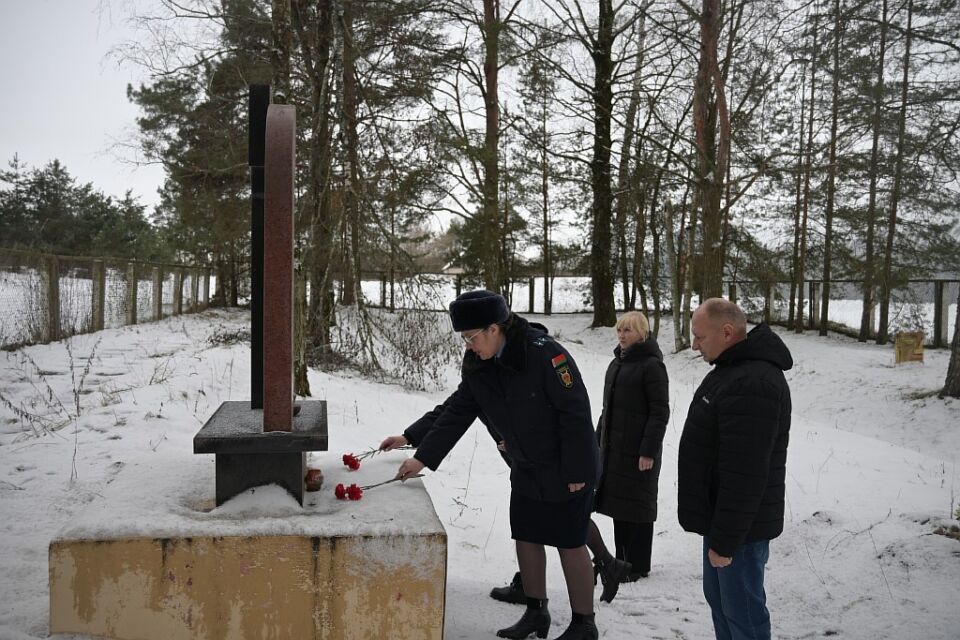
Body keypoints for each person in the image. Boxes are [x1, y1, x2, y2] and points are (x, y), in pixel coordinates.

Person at [391, 289, 601, 640]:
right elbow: (458, 409)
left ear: (494, 328)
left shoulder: (545, 355)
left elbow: (576, 413)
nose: (468, 345)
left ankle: (584, 623)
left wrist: (578, 472)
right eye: (463, 338)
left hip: (566, 468)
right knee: (526, 535)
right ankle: (536, 613)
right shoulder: (479, 364)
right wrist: (419, 451)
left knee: (569, 542)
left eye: (471, 337)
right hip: (525, 465)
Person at [677, 298, 792, 640]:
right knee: (723, 604)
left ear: (727, 332)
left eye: (699, 337)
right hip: (723, 521)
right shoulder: (731, 372)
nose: (694, 345)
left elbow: (745, 475)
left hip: (740, 530)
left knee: (743, 613)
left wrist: (725, 542)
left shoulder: (753, 383)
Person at [591, 311, 669, 595]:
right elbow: (607, 410)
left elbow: (659, 412)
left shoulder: (652, 366)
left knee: (638, 505)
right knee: (618, 506)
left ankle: (638, 565)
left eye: (628, 330)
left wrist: (648, 450)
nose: (622, 335)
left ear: (642, 333)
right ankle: (621, 561)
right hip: (614, 449)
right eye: (619, 330)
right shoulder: (616, 364)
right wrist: (596, 440)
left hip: (639, 451)